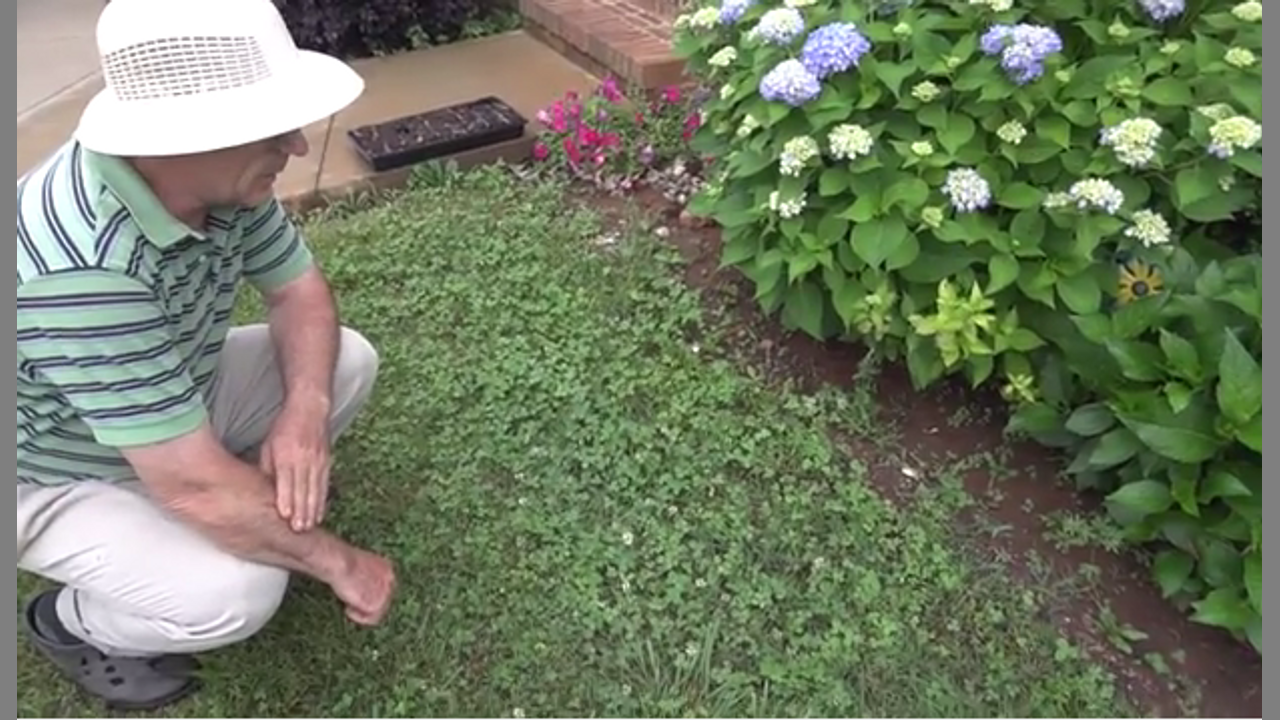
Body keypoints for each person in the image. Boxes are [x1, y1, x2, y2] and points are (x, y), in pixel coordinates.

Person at [16, 0, 397, 710]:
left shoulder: (222, 183)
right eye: (273, 125)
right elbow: (190, 486)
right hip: (49, 471)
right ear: (180, 135)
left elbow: (300, 293)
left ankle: (250, 499)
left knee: (346, 363)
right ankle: (71, 622)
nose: (297, 146)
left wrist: (304, 414)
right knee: (235, 593)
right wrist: (342, 563)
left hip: (165, 402)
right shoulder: (81, 269)